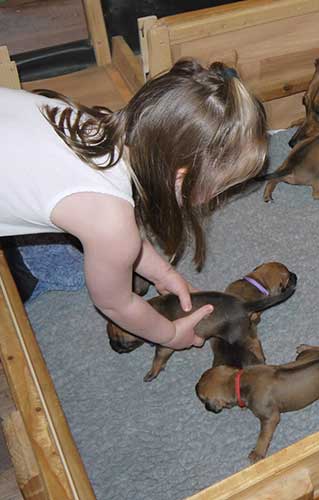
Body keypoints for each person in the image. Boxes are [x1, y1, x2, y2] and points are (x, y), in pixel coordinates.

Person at [0, 59, 269, 350]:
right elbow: (115, 304)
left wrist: (162, 273)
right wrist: (170, 334)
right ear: (181, 178)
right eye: (217, 189)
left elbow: (123, 239)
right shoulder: (110, 220)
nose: (215, 199)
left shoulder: (97, 122)